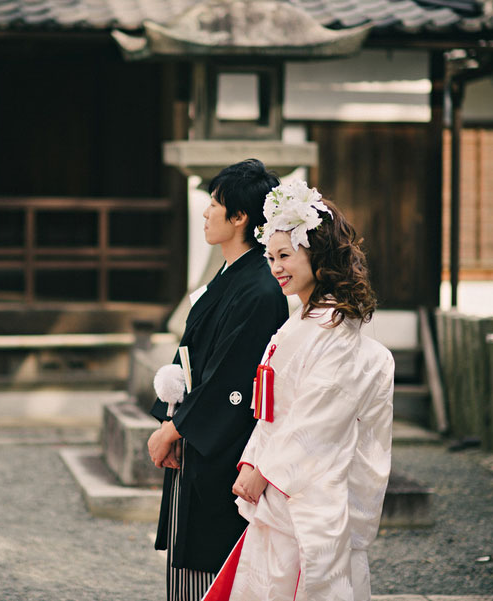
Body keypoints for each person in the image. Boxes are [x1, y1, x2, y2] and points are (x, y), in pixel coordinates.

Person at [201, 182, 395, 601]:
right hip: (281, 480)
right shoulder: (300, 322)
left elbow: (318, 417)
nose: (276, 267)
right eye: (270, 257)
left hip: (308, 490)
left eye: (285, 256)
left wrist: (264, 470)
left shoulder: (337, 330)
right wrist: (253, 460)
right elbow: (270, 410)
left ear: (318, 255)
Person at [147, 159, 290, 601]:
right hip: (199, 442)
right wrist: (172, 419)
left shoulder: (261, 288)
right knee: (191, 566)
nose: (206, 212)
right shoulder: (234, 276)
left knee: (216, 567)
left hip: (224, 449)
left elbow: (234, 377)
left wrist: (177, 426)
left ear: (239, 217)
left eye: (214, 203)